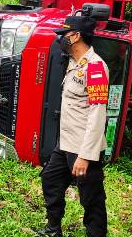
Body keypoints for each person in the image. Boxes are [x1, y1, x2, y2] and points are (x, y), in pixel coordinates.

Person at [37, 16, 109, 237]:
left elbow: (98, 114)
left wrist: (86, 156)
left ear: (76, 36)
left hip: (84, 147)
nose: (60, 39)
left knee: (91, 198)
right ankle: (53, 229)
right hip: (66, 143)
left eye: (64, 35)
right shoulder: (74, 63)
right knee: (50, 179)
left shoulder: (95, 67)